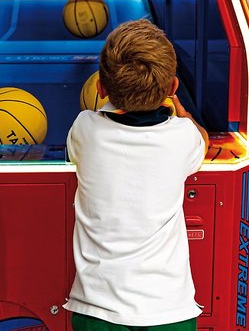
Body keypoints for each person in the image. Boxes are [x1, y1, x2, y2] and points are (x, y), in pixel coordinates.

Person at [63, 18, 209, 331]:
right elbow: (203, 141)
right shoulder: (183, 136)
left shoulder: (85, 128)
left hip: (96, 311)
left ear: (100, 88)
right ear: (172, 88)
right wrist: (183, 114)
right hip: (169, 312)